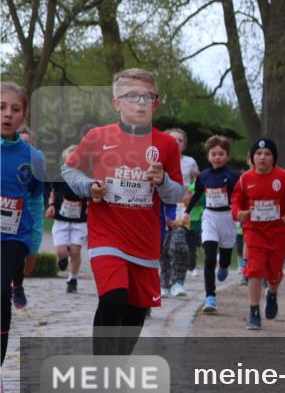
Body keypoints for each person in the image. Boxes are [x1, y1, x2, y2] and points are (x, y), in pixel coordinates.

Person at [62, 68, 184, 356]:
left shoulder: (165, 144)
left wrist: (163, 179)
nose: (140, 102)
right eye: (132, 96)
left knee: (135, 311)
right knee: (114, 299)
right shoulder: (98, 136)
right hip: (107, 235)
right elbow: (69, 170)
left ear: (156, 103)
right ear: (117, 102)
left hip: (145, 240)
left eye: (147, 96)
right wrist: (89, 186)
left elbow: (177, 192)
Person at [231, 138, 285, 330]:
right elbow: (236, 201)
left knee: (275, 272)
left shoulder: (284, 177)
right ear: (252, 158)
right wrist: (239, 213)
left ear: (274, 158)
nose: (262, 157)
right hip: (255, 232)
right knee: (254, 269)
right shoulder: (244, 179)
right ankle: (254, 312)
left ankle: (272, 292)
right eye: (258, 154)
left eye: (267, 154)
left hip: (279, 232)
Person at [1, 83, 45, 374]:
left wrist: (34, 246)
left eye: (15, 109)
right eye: (1, 107)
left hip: (14, 238)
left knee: (1, 291)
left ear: (24, 114)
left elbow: (37, 202)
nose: (7, 114)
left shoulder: (34, 158)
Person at [186, 135, 240, 314]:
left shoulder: (232, 176)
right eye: (213, 154)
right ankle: (210, 297)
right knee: (209, 258)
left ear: (227, 156)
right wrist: (187, 212)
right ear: (208, 156)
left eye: (221, 154)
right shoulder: (204, 176)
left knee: (224, 257)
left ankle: (224, 266)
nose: (217, 157)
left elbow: (240, 196)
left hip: (228, 218)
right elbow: (197, 194)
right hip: (209, 217)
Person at [48, 145, 88, 293]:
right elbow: (53, 192)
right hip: (62, 219)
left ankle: (72, 279)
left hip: (80, 220)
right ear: (65, 160)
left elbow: (90, 194)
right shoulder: (59, 177)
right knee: (61, 251)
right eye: (70, 159)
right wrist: (51, 205)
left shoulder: (85, 177)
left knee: (76, 251)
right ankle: (63, 258)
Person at [161, 129, 192, 298]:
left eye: (180, 140)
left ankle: (178, 282)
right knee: (163, 248)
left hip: (182, 211)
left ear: (184, 145)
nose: (176, 143)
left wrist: (192, 195)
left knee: (179, 245)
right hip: (163, 209)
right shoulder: (159, 161)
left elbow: (199, 183)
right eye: (172, 139)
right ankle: (164, 284)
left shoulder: (190, 163)